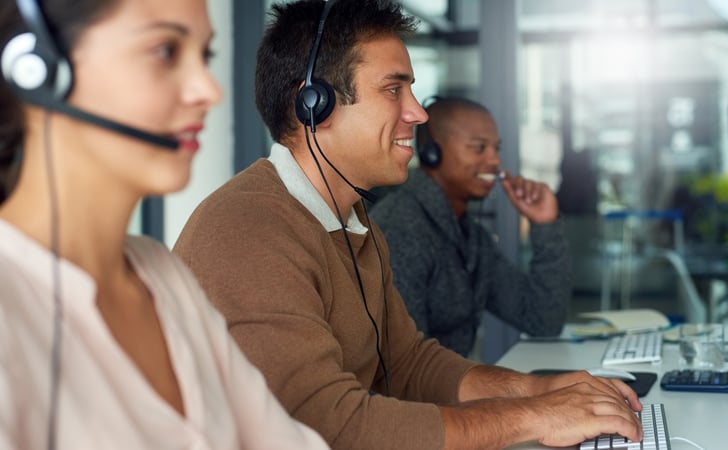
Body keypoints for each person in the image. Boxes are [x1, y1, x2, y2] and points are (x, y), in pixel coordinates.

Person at [173, 1, 643, 449]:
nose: (417, 113)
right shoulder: (248, 232)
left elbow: (411, 363)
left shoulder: (356, 224)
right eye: (394, 89)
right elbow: (326, 427)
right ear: (314, 105)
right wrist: (536, 417)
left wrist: (541, 390)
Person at [0, 0, 328, 448]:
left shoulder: (163, 275)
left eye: (205, 56)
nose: (209, 91)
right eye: (165, 51)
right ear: (35, 70)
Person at [370, 97, 570, 358]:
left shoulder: (470, 237)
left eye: (496, 148)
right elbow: (405, 366)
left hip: (444, 395)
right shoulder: (400, 229)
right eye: (479, 148)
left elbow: (542, 320)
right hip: (413, 397)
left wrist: (545, 225)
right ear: (432, 153)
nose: (495, 160)